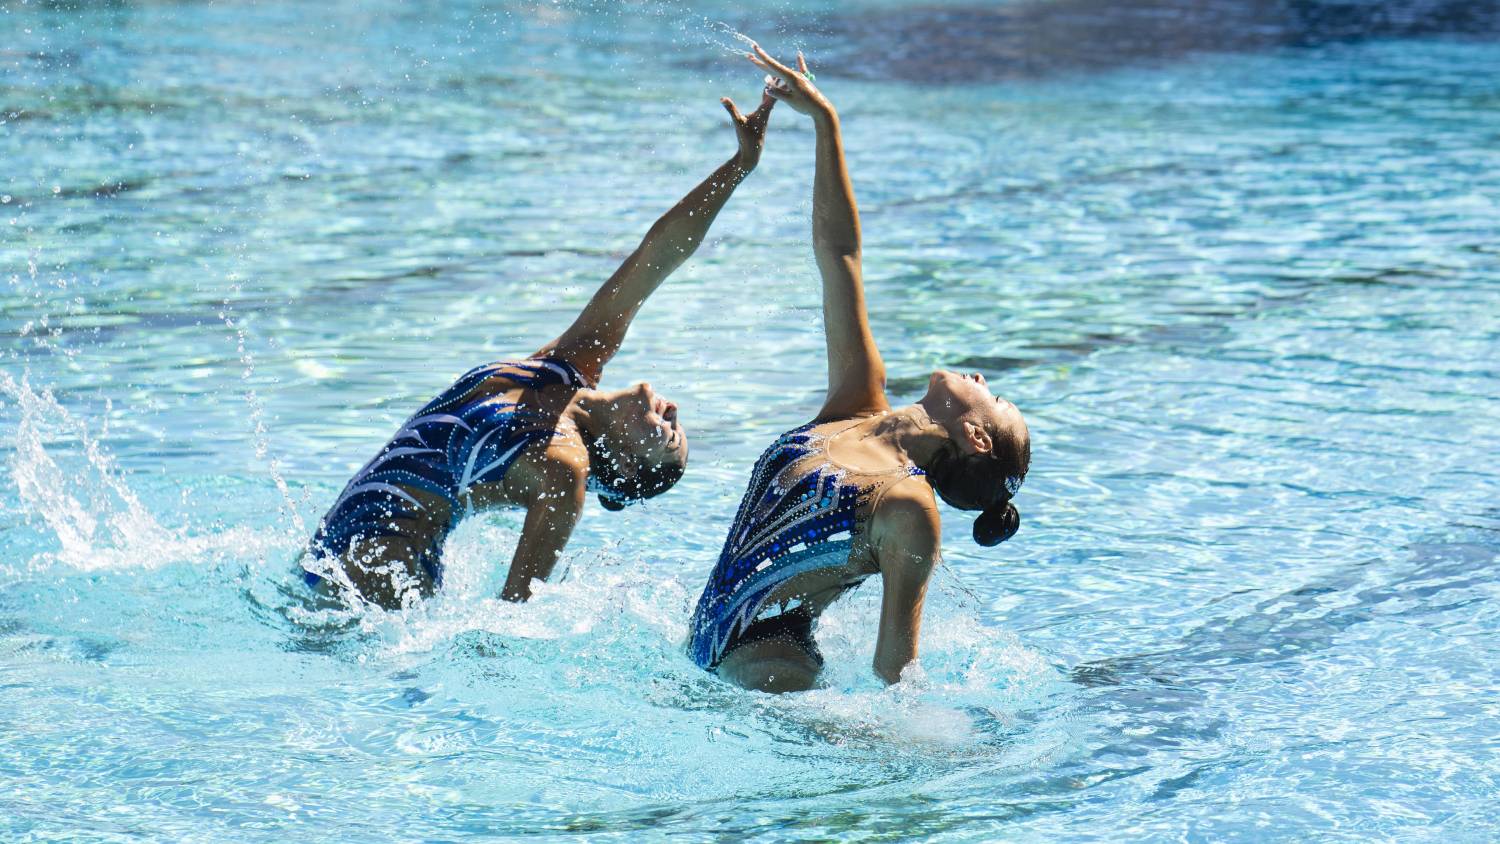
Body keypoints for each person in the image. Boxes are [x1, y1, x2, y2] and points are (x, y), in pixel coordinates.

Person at [304, 92, 777, 607]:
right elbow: (656, 257)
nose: (675, 415)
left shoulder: (563, 466)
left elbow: (515, 611)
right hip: (327, 553)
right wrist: (740, 167)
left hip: (382, 576)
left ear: (623, 467)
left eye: (670, 439)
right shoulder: (569, 365)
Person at [686, 45, 1030, 692]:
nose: (983, 379)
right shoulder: (856, 403)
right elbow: (839, 251)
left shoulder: (908, 505)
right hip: (708, 659)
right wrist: (823, 123)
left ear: (976, 437)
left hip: (769, 676)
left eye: (995, 397)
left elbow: (894, 678)